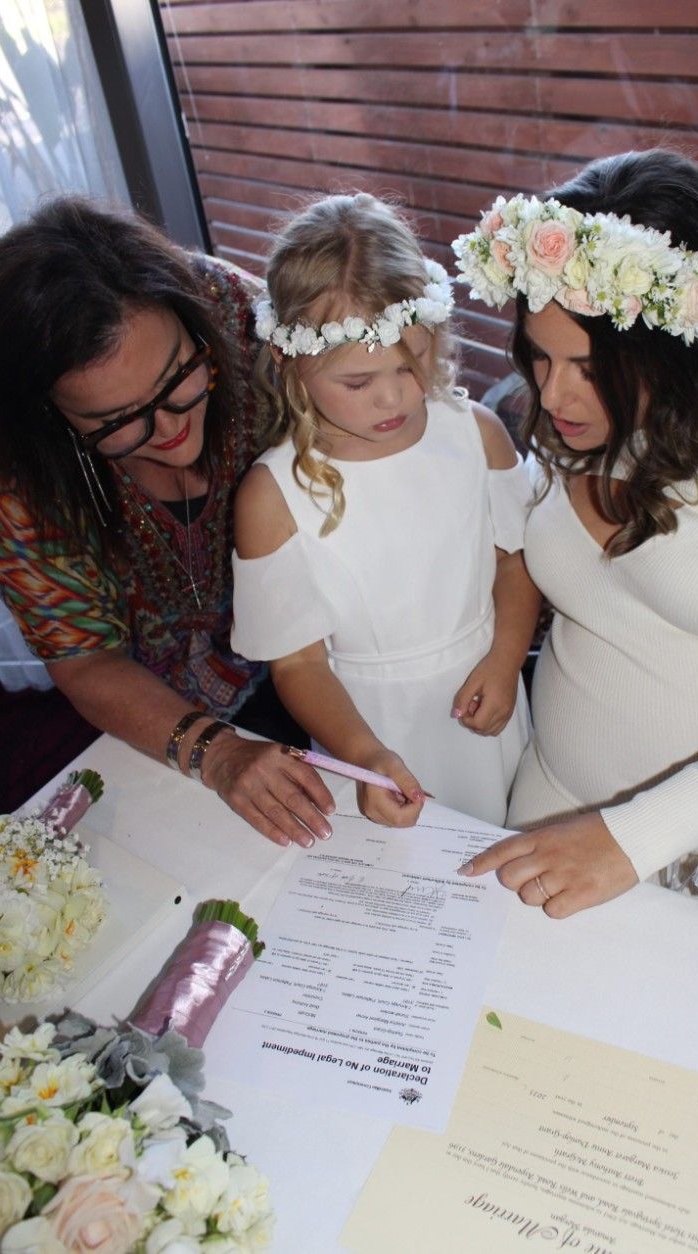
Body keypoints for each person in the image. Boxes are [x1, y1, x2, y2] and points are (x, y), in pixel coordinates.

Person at [452, 149, 698, 945]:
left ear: (678, 343)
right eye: (540, 356)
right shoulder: (564, 417)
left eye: (592, 368)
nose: (552, 395)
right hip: (555, 803)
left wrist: (630, 838)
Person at [0, 197, 335, 847]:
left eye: (179, 376)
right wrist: (218, 753)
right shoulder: (20, 474)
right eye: (118, 422)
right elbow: (87, 658)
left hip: (305, 645)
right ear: (52, 418)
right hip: (147, 703)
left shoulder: (244, 317)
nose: (172, 427)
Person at [231, 193, 540, 826]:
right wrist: (364, 753)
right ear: (291, 360)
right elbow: (297, 663)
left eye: (411, 362)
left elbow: (516, 562)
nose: (394, 396)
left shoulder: (474, 432)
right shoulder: (273, 497)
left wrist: (506, 659)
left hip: (492, 693)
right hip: (368, 729)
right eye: (357, 383)